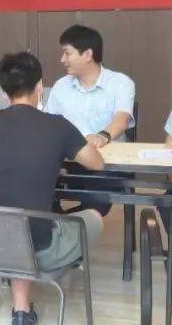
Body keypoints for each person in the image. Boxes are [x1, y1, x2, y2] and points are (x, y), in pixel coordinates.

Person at [0, 52, 105, 325]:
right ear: (39, 87)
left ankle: (21, 310)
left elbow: (8, 164)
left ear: (4, 92)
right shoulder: (57, 125)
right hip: (39, 247)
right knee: (93, 217)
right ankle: (58, 267)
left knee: (17, 217)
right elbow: (96, 163)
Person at [44, 24, 135, 215]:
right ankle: (58, 223)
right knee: (34, 183)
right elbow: (48, 124)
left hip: (106, 164)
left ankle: (66, 225)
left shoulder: (120, 83)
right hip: (69, 162)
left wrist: (103, 136)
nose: (62, 59)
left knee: (96, 203)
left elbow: (122, 119)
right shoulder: (61, 86)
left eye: (67, 53)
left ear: (87, 54)